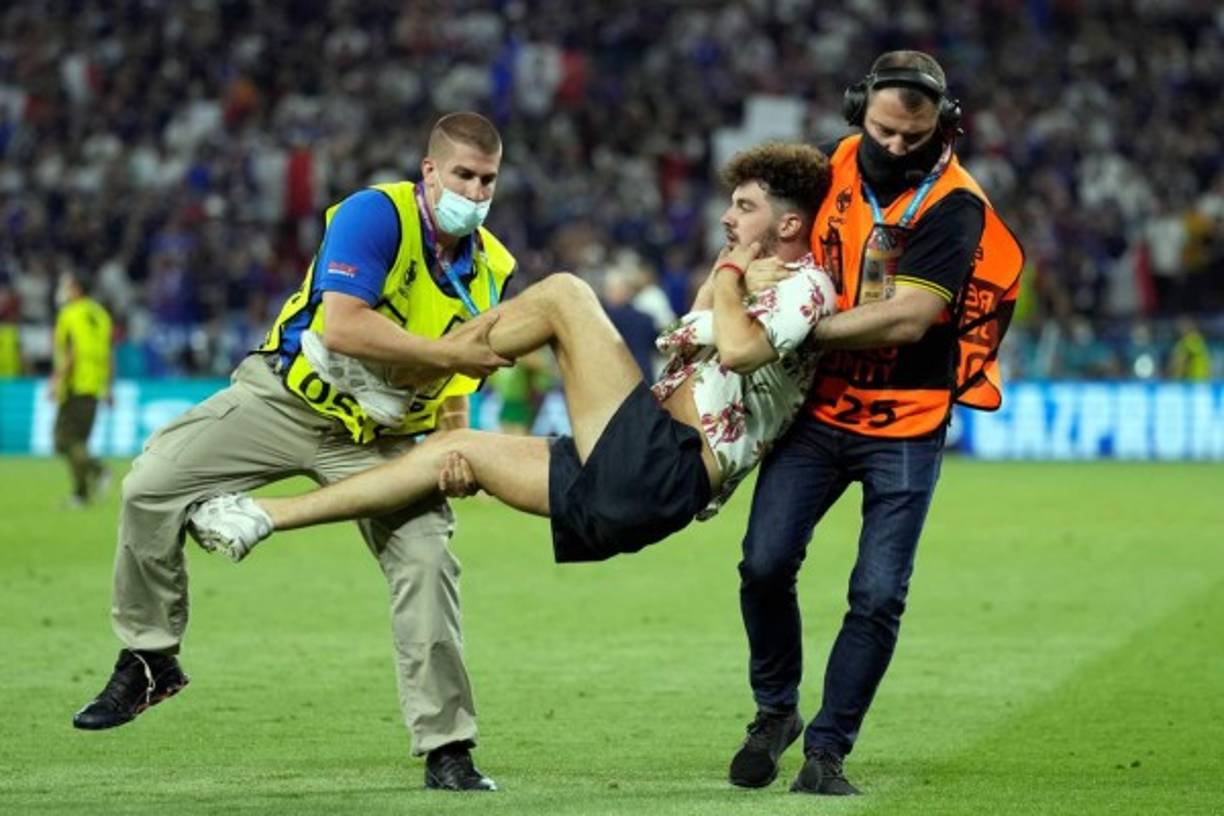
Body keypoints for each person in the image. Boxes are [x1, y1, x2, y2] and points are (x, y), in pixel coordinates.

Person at [72, 112, 516, 793]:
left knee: (427, 560)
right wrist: (448, 352)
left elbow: (460, 375)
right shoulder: (376, 215)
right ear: (430, 172)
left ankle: (447, 747)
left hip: (384, 440)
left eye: (487, 179)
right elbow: (342, 324)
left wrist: (453, 446)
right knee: (149, 485)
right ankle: (150, 658)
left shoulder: (492, 269)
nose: (476, 191)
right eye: (463, 175)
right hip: (284, 399)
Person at [186, 142, 836, 576]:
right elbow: (704, 347)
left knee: (564, 295)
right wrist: (727, 282)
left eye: (745, 207)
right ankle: (259, 518)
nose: (727, 217)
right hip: (630, 485)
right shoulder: (744, 281)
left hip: (668, 469)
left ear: (787, 224)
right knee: (452, 449)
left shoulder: (805, 286)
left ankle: (418, 367)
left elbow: (746, 350)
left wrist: (726, 275)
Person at [727, 51, 1023, 796]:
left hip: (907, 422)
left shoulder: (957, 205)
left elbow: (911, 317)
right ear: (859, 109)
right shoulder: (832, 163)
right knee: (763, 565)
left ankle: (827, 752)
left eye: (912, 136)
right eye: (883, 130)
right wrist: (754, 268)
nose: (894, 147)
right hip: (819, 414)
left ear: (942, 125)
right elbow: (765, 223)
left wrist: (796, 329)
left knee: (879, 593)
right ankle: (775, 713)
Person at [48, 270, 113, 506]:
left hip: (75, 385)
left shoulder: (70, 313)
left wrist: (57, 380)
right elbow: (108, 354)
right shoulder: (101, 314)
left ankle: (99, 470)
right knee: (79, 444)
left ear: (76, 289)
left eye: (68, 286)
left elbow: (72, 351)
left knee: (62, 440)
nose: (65, 291)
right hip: (95, 386)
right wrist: (109, 387)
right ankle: (81, 495)